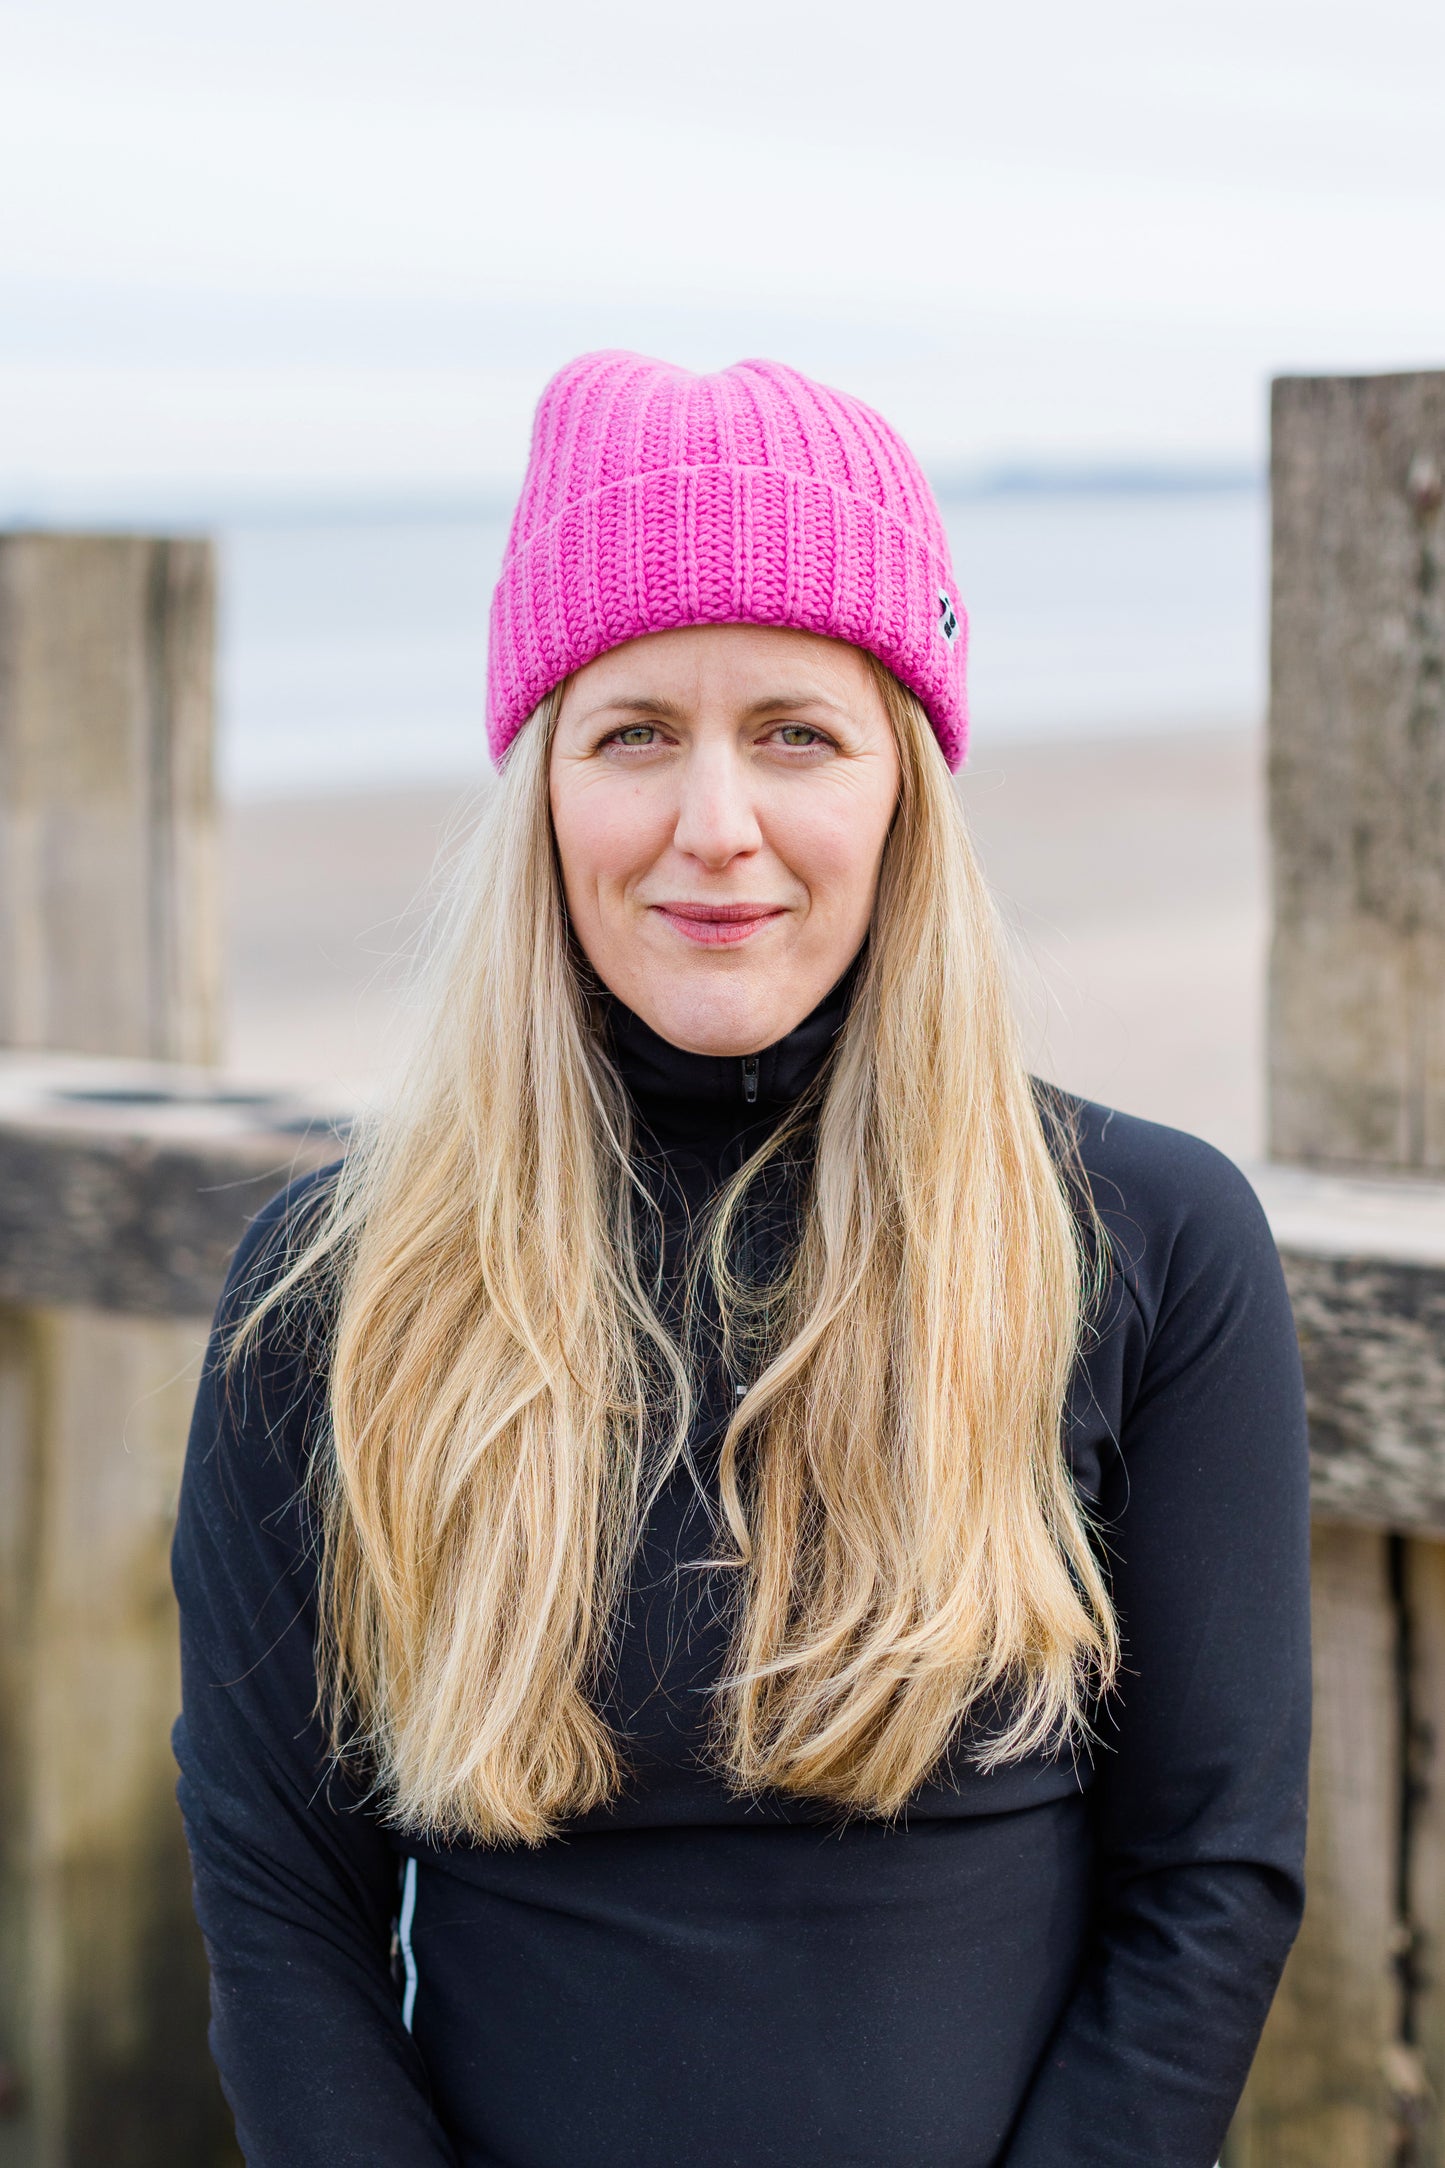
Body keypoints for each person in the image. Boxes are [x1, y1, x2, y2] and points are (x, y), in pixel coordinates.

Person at [172, 351, 1311, 2168]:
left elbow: (1208, 1876)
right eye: (634, 732)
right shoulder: (336, 1286)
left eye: (796, 732)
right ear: (545, 788)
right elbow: (278, 1909)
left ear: (901, 787)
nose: (715, 825)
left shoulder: (1145, 1240)